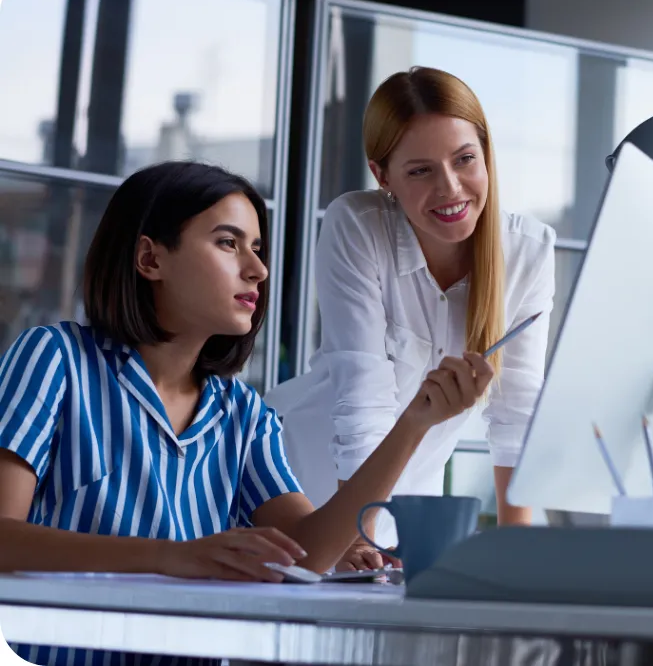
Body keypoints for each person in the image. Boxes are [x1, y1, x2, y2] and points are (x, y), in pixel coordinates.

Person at [0, 161, 494, 666]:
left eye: (257, 248)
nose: (257, 268)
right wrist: (171, 558)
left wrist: (414, 422)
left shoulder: (244, 414)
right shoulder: (56, 358)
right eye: (227, 242)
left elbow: (308, 553)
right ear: (150, 258)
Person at [266, 67, 556, 569]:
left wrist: (519, 556)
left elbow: (517, 418)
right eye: (420, 170)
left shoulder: (528, 252)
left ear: (486, 154)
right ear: (383, 177)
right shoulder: (357, 225)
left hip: (397, 519)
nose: (451, 188)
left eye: (465, 159)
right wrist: (356, 537)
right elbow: (362, 402)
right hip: (297, 488)